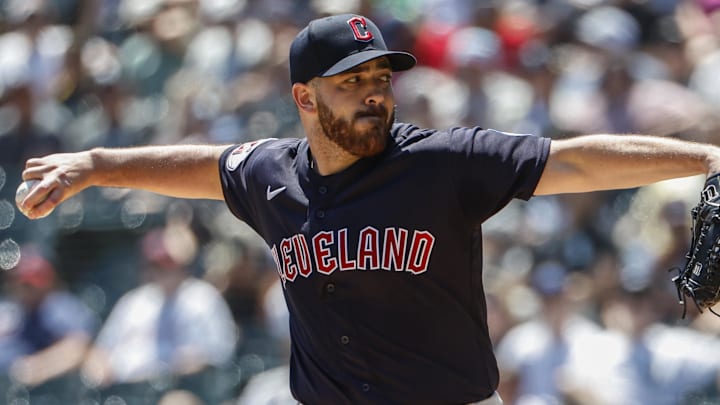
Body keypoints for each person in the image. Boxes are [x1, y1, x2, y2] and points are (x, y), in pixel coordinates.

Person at [15, 13, 720, 404]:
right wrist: (97, 164)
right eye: (353, 82)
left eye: (381, 77)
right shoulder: (269, 175)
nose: (375, 92)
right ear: (304, 98)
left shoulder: (442, 161)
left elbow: (571, 158)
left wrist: (704, 159)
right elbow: (201, 165)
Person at [80, 223, 237, 404]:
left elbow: (219, 352)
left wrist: (178, 369)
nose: (159, 270)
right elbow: (100, 351)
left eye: (166, 263)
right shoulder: (134, 301)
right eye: (154, 264)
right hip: (124, 392)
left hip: (180, 388)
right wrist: (98, 370)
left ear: (182, 264)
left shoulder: (203, 298)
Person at [0, 244, 96, 403]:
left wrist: (36, 367)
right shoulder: (10, 309)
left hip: (40, 394)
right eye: (21, 283)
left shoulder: (59, 307)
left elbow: (78, 349)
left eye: (29, 284)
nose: (24, 289)